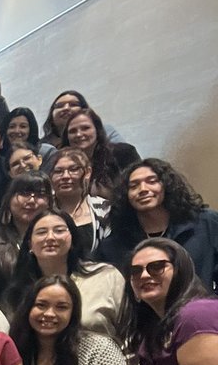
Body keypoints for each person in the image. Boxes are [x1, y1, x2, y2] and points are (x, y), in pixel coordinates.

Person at [5, 209, 126, 339]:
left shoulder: (106, 276)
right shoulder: (18, 289)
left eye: (59, 231)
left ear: (73, 239)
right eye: (41, 232)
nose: (50, 237)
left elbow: (130, 331)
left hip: (104, 357)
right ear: (30, 245)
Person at [98, 158, 218, 287]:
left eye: (152, 181)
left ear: (167, 185)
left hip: (202, 305)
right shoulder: (115, 244)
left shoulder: (206, 223)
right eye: (134, 186)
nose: (143, 189)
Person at [0, 173, 54, 303]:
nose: (32, 200)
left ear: (50, 202)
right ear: (9, 199)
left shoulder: (58, 240)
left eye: (40, 195)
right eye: (24, 193)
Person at [62, 108, 140, 200]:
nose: (79, 134)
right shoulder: (63, 165)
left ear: (97, 130)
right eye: (72, 131)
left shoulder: (123, 153)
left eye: (85, 128)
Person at [47, 148, 109, 254]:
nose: (65, 176)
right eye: (58, 171)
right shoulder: (42, 210)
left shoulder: (105, 208)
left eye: (73, 170)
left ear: (88, 172)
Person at [39, 90, 125, 150]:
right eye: (60, 106)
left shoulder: (106, 131)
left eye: (73, 104)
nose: (66, 108)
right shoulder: (42, 146)